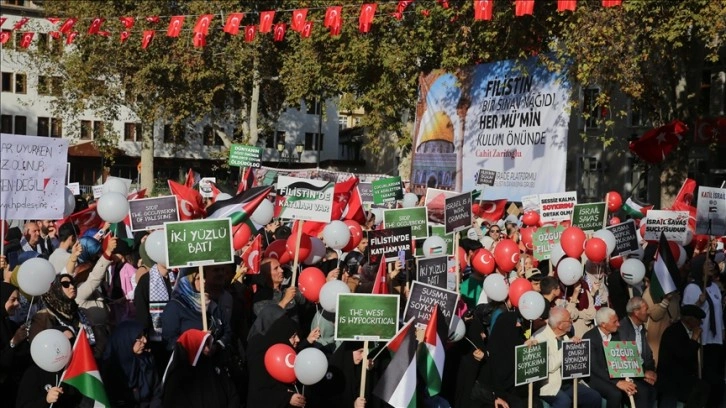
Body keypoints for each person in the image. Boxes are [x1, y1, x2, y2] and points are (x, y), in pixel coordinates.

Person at [532, 307, 601, 408]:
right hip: (550, 385)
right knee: (564, 402)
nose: (572, 322)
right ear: (560, 325)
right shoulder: (539, 338)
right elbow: (548, 366)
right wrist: (567, 347)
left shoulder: (565, 335)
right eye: (569, 320)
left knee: (594, 397)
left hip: (568, 383)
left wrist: (577, 349)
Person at [681, 254, 725, 407]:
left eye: (712, 264)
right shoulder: (692, 288)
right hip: (702, 339)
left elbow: (719, 312)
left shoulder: (714, 287)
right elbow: (687, 314)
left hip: (716, 339)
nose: (712, 266)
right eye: (707, 264)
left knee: (717, 378)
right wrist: (698, 303)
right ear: (699, 267)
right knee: (708, 379)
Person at [161, 329, 239, 408]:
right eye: (202, 346)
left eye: (208, 344)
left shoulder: (214, 368)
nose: (208, 349)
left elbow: (232, 394)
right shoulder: (175, 381)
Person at [582, 307, 642, 408]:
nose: (618, 324)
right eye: (615, 322)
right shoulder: (590, 337)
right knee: (615, 393)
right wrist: (617, 382)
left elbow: (620, 358)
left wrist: (627, 378)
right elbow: (595, 368)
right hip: (595, 377)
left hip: (614, 373)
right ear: (603, 324)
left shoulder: (615, 335)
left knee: (638, 389)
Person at [246, 314, 308, 408]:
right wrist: (287, 398)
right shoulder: (262, 358)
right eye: (294, 336)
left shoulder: (291, 353)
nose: (298, 339)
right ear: (282, 336)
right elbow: (259, 394)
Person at [656, 304, 710, 407]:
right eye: (698, 319)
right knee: (698, 388)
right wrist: (694, 339)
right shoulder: (673, 332)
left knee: (705, 386)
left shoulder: (686, 331)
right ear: (690, 319)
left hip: (683, 376)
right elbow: (684, 356)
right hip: (670, 377)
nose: (701, 323)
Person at [101, 320, 162, 407]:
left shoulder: (147, 360)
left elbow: (156, 392)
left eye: (144, 335)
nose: (144, 340)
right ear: (125, 340)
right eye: (139, 337)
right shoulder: (111, 368)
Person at [617, 297, 657, 407]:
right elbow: (625, 358)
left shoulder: (641, 328)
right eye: (646, 309)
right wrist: (643, 374)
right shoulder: (623, 329)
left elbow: (648, 354)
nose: (648, 312)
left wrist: (651, 371)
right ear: (636, 312)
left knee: (656, 388)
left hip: (642, 370)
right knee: (643, 392)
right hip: (629, 374)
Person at [1, 282, 31, 405]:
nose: (17, 304)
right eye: (13, 300)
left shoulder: (9, 324)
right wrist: (14, 342)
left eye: (18, 300)